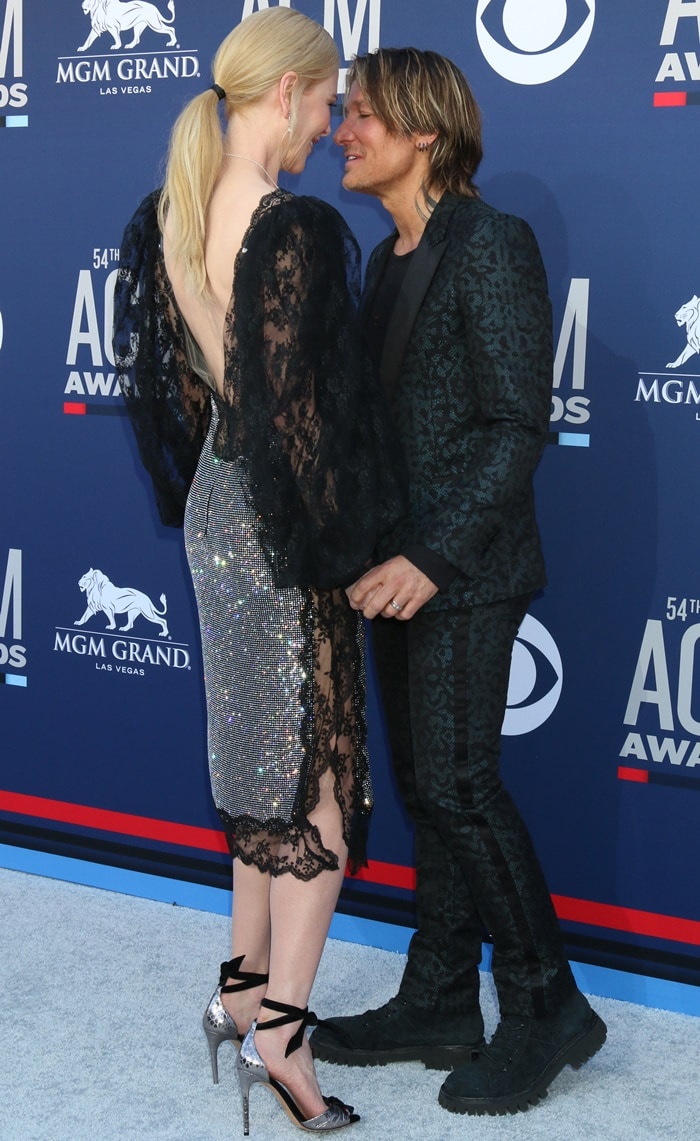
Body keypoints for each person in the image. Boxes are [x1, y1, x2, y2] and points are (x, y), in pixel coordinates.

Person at [112, 10, 405, 1134]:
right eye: (327, 101)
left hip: (216, 512)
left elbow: (189, 401)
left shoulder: (173, 213)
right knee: (321, 784)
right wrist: (355, 543)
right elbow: (306, 424)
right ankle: (284, 1027)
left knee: (252, 759)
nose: (330, 122)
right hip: (284, 525)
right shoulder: (292, 229)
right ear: (284, 93)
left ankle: (239, 985)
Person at [310, 47, 606, 1116]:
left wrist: (432, 558)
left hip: (463, 573)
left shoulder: (491, 245)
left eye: (363, 116)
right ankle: (439, 998)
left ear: (424, 132)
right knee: (432, 792)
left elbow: (517, 423)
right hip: (392, 576)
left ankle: (546, 1004)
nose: (343, 131)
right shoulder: (386, 257)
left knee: (460, 785)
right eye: (341, 115)